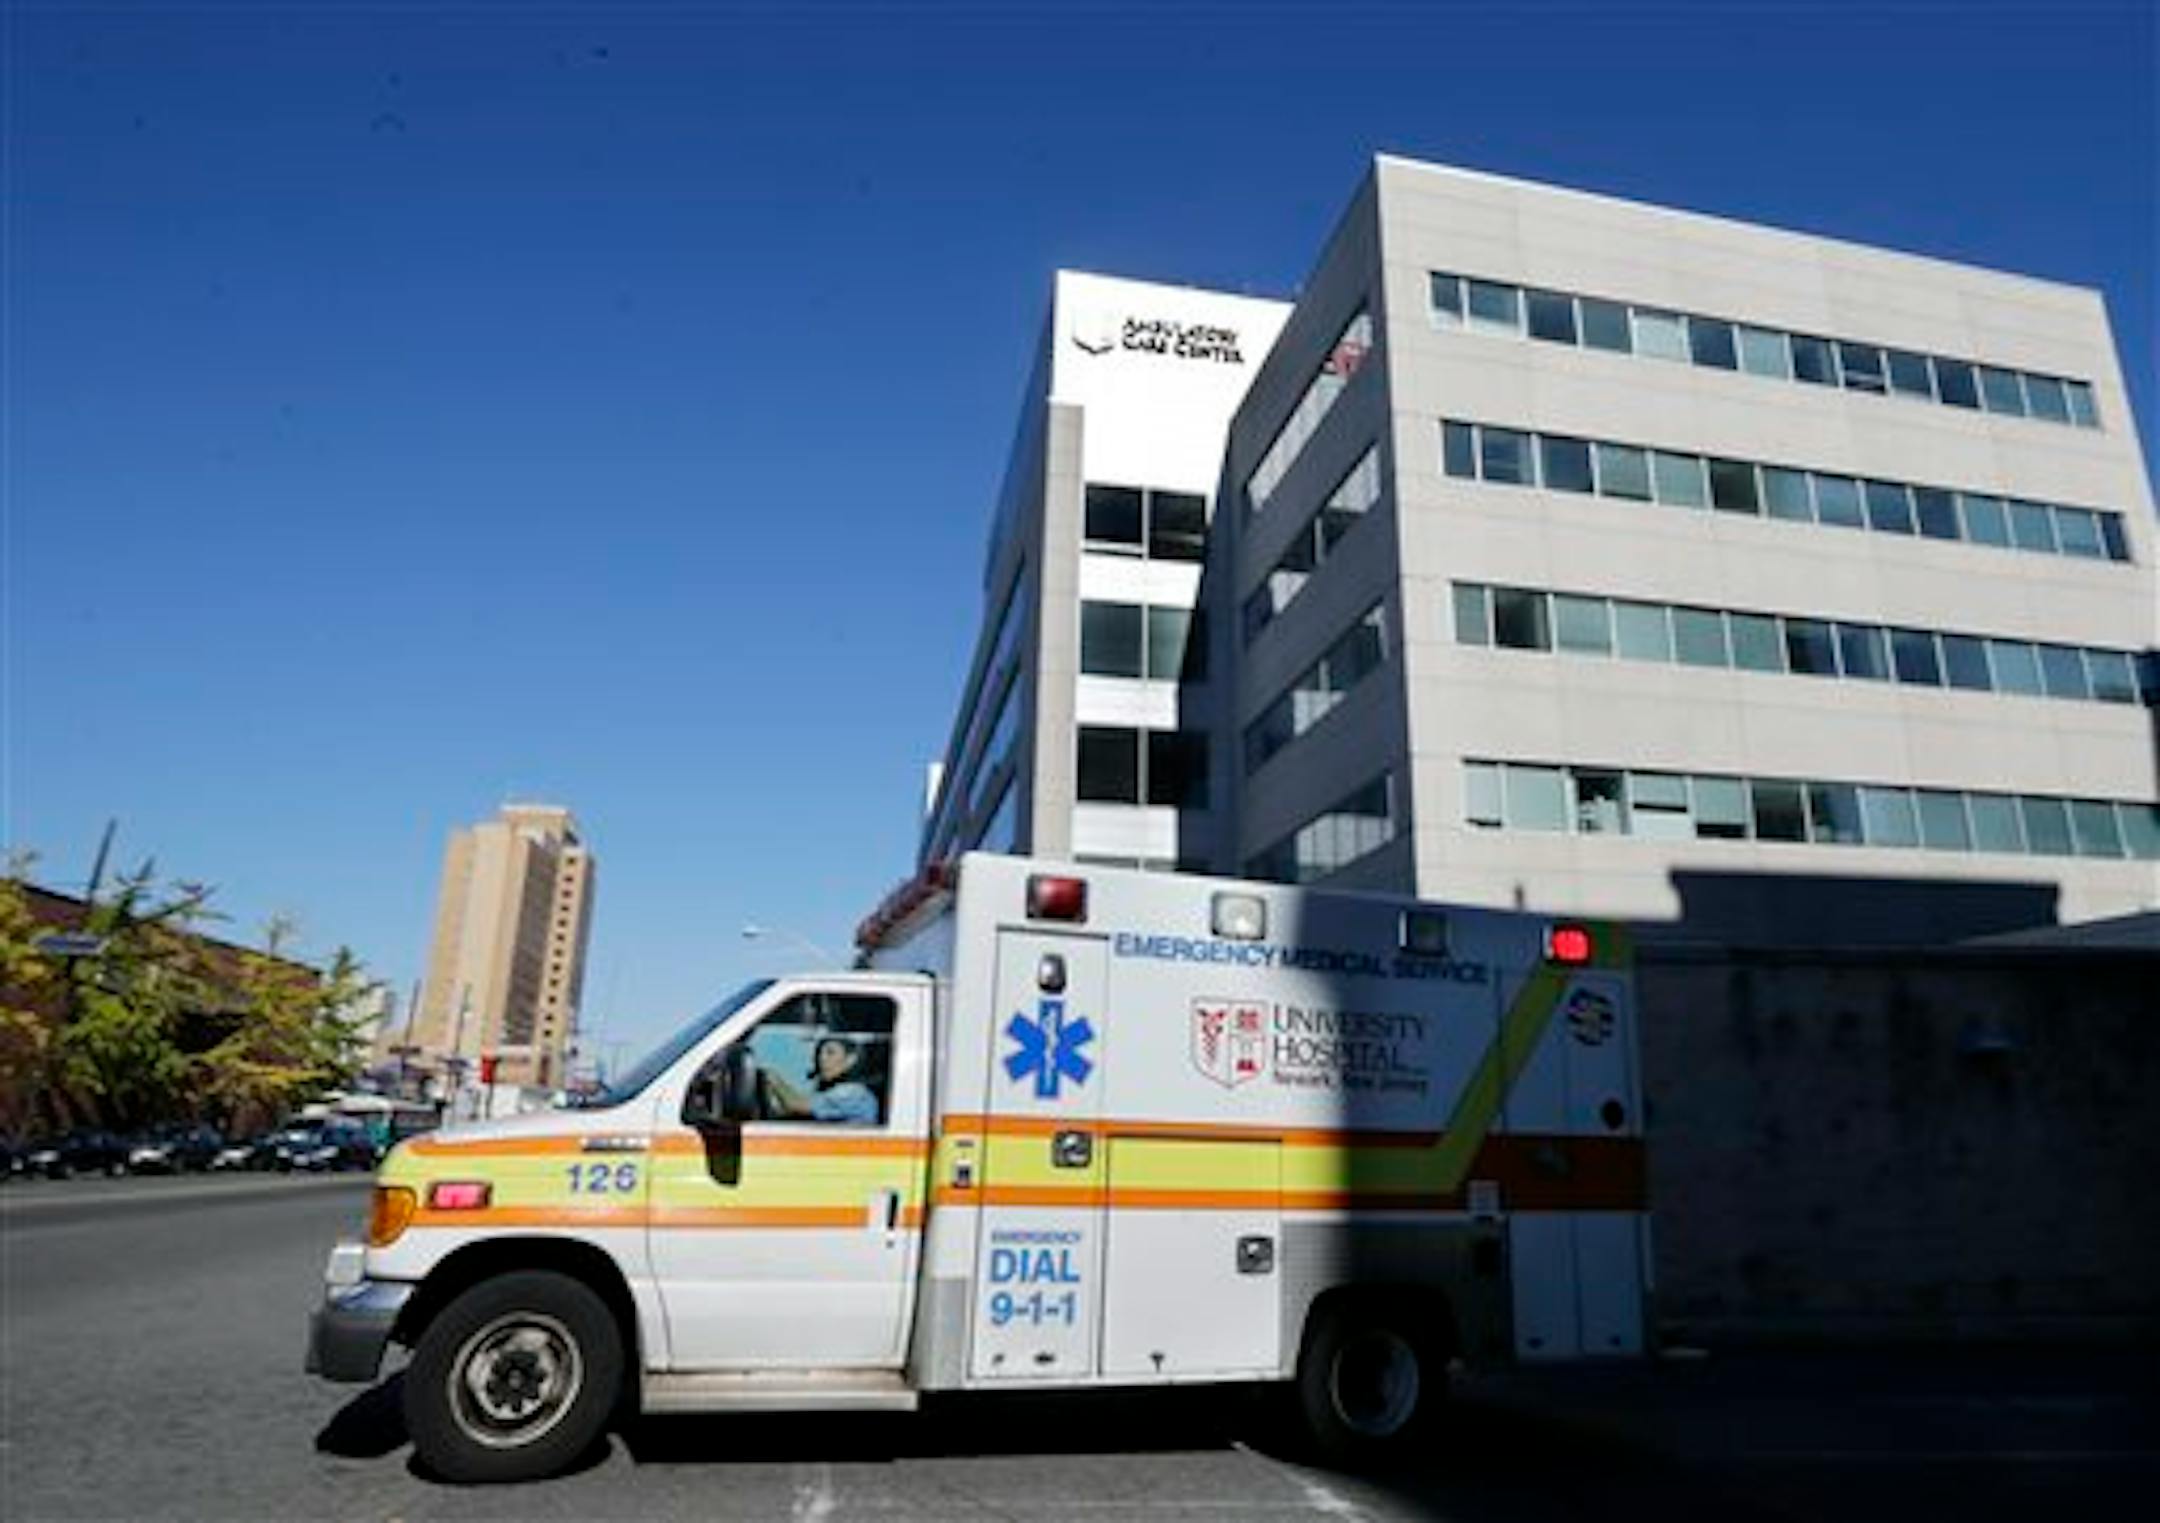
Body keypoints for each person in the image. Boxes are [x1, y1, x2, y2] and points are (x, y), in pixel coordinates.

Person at [761, 1034, 880, 1125]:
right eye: (819, 1053)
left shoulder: (854, 1094)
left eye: (830, 1053)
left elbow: (796, 1104)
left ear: (850, 1060)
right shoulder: (834, 1092)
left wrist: (772, 1078)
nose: (821, 1059)